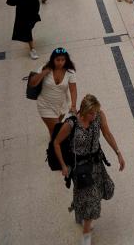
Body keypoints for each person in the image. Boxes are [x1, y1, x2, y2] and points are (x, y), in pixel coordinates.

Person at [53, 94, 126, 245]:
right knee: (91, 198)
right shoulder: (71, 124)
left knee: (99, 191)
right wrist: (63, 165)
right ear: (83, 111)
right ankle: (86, 235)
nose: (95, 116)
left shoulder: (99, 115)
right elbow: (56, 143)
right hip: (80, 168)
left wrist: (118, 153)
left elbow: (107, 133)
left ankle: (83, 215)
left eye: (96, 112)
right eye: (92, 113)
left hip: (96, 163)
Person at [29, 47, 77, 134]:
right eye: (57, 60)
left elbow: (73, 89)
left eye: (63, 60)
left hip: (61, 105)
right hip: (45, 106)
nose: (60, 62)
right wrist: (44, 73)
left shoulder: (70, 72)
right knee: (55, 132)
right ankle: (55, 145)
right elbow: (32, 83)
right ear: (53, 59)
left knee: (57, 126)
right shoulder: (44, 68)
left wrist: (73, 106)